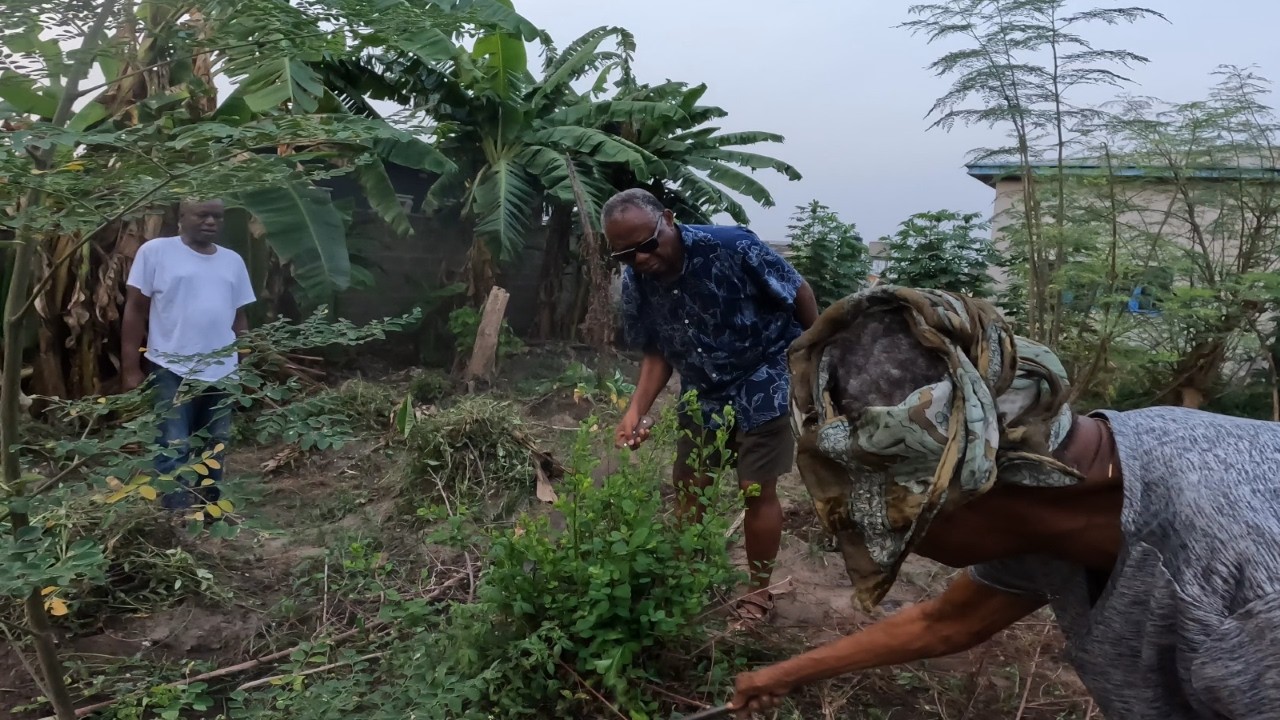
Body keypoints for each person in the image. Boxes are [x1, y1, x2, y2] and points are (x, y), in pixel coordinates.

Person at [727, 286, 1280, 719]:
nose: (906, 539)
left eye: (904, 522)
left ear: (967, 491)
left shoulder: (1246, 600)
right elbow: (948, 622)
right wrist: (785, 675)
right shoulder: (1059, 493)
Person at [603, 188, 820, 628]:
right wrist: (635, 410)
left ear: (668, 218)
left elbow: (799, 292)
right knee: (689, 487)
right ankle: (686, 579)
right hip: (703, 388)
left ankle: (758, 593)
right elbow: (657, 352)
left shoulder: (732, 246)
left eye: (647, 245)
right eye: (627, 255)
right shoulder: (637, 282)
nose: (641, 260)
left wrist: (815, 361)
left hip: (765, 374)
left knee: (755, 488)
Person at [121, 199, 256, 510]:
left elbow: (240, 319)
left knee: (215, 446)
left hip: (222, 371)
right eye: (203, 215)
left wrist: (245, 364)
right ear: (181, 216)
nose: (211, 222)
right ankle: (177, 517)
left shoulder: (232, 261)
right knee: (173, 444)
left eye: (217, 217)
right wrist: (130, 369)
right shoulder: (155, 252)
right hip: (170, 367)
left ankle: (209, 513)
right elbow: (135, 310)